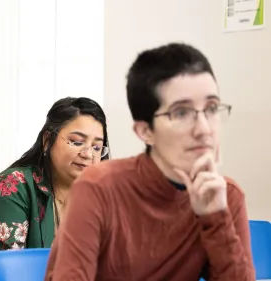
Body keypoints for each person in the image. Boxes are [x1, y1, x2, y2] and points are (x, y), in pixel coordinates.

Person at [45, 43, 255, 280]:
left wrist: (216, 218)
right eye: (181, 113)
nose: (204, 128)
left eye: (211, 108)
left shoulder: (224, 196)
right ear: (145, 131)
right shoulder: (99, 187)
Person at [0, 97, 110, 281]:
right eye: (77, 142)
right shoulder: (13, 185)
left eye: (97, 147)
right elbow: (11, 273)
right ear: (47, 140)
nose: (88, 154)